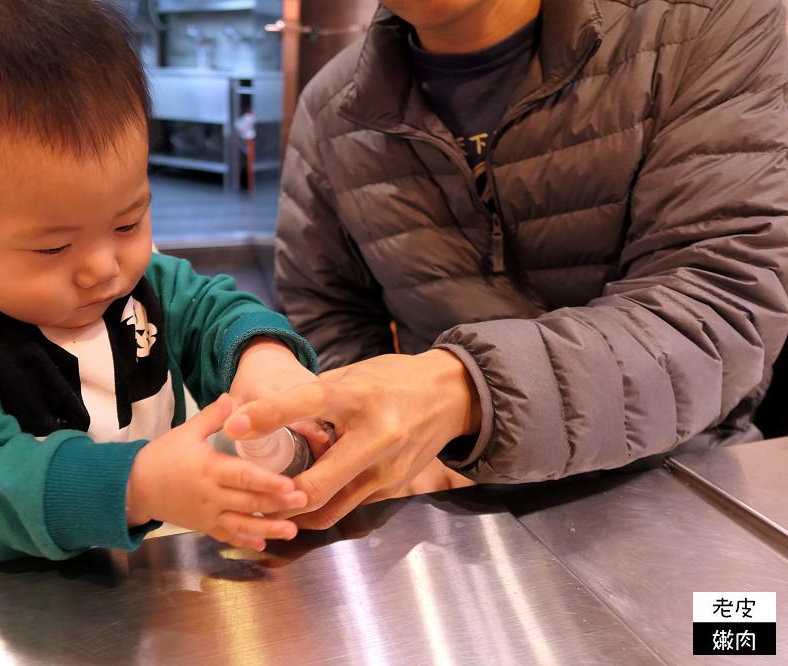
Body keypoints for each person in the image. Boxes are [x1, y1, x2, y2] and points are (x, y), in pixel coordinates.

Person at [224, 0, 788, 529]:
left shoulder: (715, 24)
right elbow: (327, 309)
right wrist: (366, 437)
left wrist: (464, 393)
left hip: (682, 474)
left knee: (740, 635)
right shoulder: (333, 107)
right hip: (451, 498)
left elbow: (719, 309)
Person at [0, 0, 329, 562]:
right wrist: (135, 486)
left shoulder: (144, 286)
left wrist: (262, 357)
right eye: (53, 246)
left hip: (139, 572)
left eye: (128, 221)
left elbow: (215, 314)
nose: (104, 268)